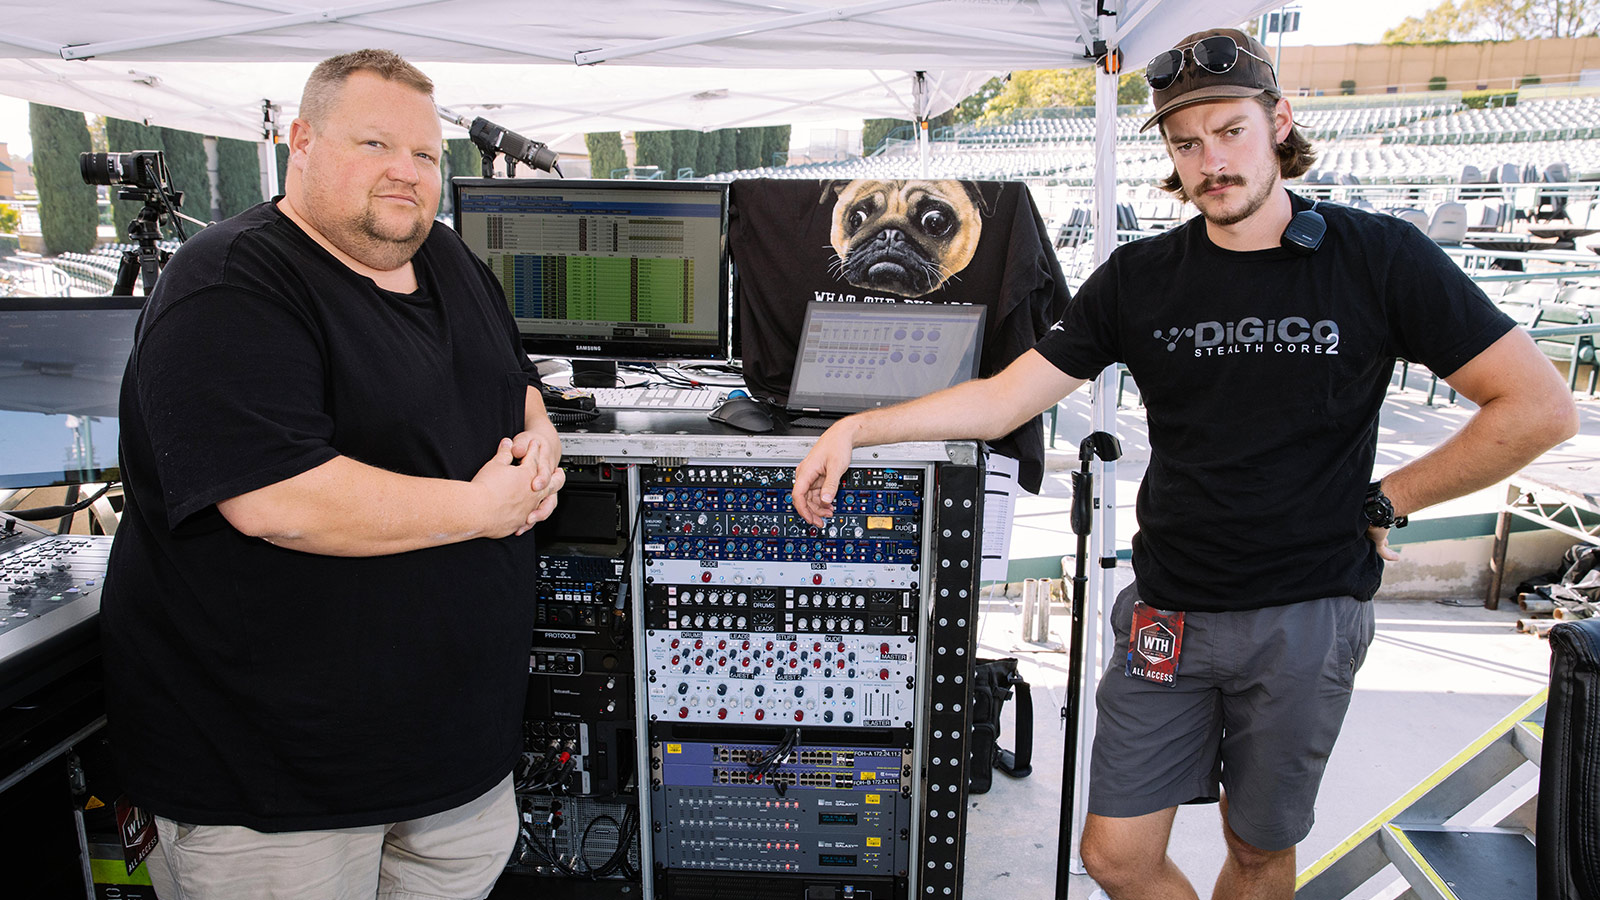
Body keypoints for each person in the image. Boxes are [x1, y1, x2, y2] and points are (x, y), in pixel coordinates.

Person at [791, 27, 1578, 900]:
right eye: (1185, 142)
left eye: (1231, 130)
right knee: (1115, 855)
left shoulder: (1378, 257)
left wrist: (1387, 500)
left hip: (1304, 615)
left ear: (1279, 120)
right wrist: (859, 429)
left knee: (1255, 853)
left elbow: (1538, 408)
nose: (1211, 159)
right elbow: (1006, 398)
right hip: (1168, 614)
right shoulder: (1142, 277)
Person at [101, 49, 564, 899]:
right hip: (277, 794)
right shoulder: (230, 283)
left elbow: (517, 383)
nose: (406, 172)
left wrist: (541, 444)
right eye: (375, 144)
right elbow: (282, 500)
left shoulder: (452, 262)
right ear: (301, 142)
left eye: (426, 155)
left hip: (454, 774)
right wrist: (483, 508)